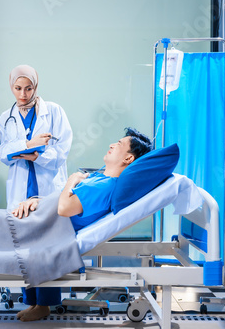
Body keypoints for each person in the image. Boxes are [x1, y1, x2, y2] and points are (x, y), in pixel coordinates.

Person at [12, 128, 152, 321]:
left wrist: (72, 179)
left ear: (128, 158)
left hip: (51, 227)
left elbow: (64, 208)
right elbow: (61, 199)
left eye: (119, 144)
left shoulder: (104, 186)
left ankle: (42, 305)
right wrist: (36, 201)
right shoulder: (98, 177)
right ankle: (38, 304)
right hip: (40, 217)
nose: (112, 144)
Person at [0, 64, 72, 322]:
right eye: (18, 88)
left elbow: (62, 151)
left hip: (47, 189)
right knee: (23, 247)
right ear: (11, 87)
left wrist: (36, 155)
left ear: (36, 87)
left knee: (47, 247)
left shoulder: (54, 112)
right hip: (20, 191)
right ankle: (31, 301)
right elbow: (4, 154)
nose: (23, 93)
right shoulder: (4, 117)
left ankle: (47, 303)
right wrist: (27, 146)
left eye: (28, 88)